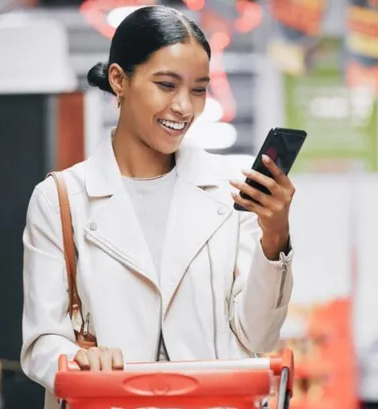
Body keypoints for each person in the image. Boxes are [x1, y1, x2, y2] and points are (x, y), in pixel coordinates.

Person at [19, 6, 296, 409]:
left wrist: (275, 238)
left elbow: (258, 336)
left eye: (199, 89)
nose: (184, 107)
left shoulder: (231, 191)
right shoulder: (62, 199)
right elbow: (41, 341)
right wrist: (78, 359)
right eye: (167, 85)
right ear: (119, 80)